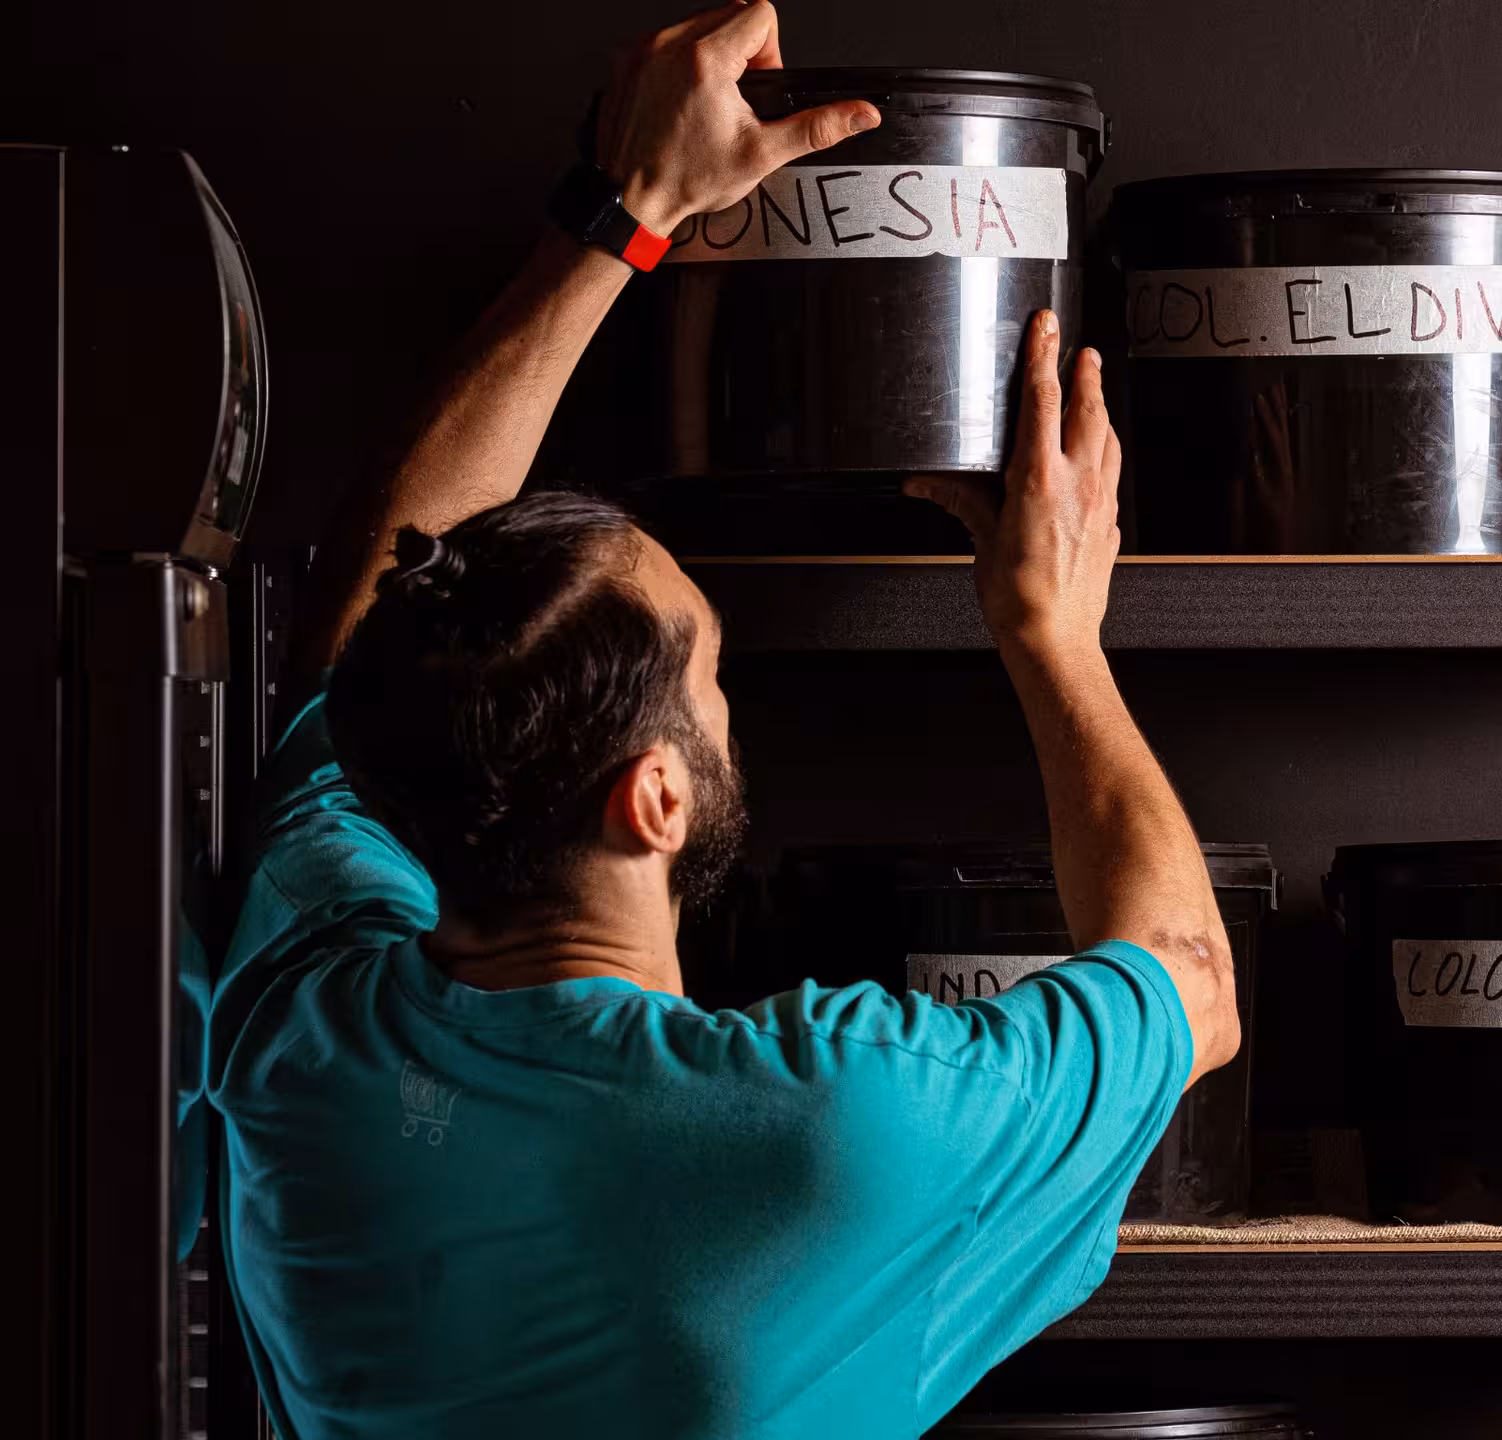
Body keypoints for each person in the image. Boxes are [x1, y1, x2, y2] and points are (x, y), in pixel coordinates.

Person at [209, 4, 1240, 1436]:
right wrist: (1054, 633)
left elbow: (378, 616)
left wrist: (623, 215)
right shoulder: (843, 1122)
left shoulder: (306, 1019)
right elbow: (1190, 981)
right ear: (657, 797)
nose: (724, 687)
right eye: (712, 666)